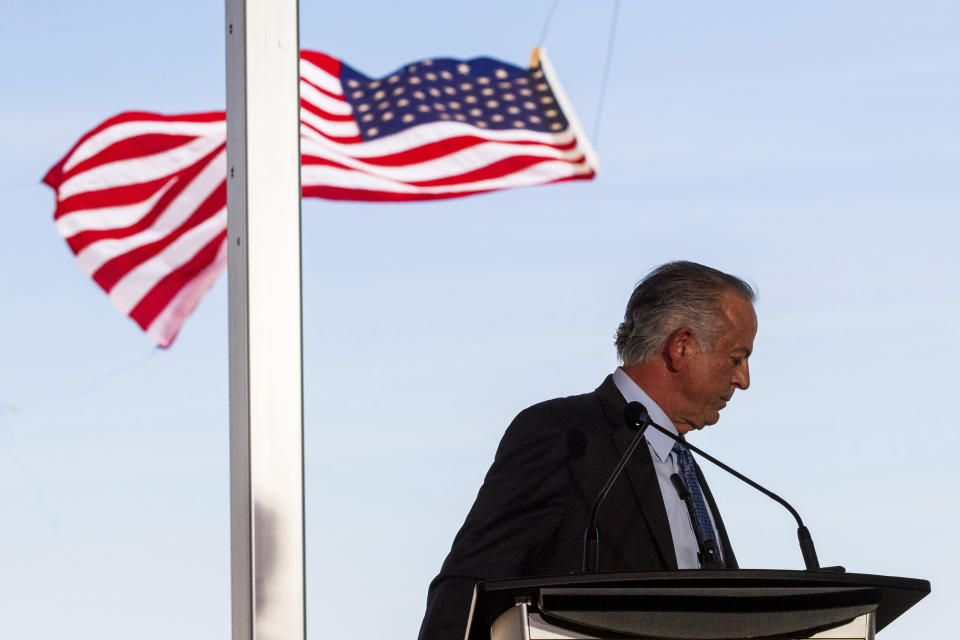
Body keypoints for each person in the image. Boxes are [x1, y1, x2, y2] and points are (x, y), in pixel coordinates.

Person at [417, 261, 758, 640]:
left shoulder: (684, 464)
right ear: (681, 347)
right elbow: (469, 586)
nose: (743, 379)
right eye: (736, 358)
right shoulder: (562, 435)